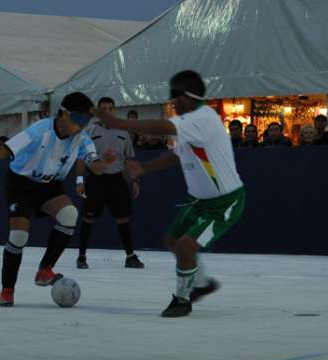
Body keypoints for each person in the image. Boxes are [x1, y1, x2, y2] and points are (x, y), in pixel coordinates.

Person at [96, 70, 245, 318]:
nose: (172, 101)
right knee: (173, 241)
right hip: (198, 201)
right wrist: (144, 167)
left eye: (175, 96)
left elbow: (162, 126)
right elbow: (177, 154)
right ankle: (202, 283)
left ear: (188, 96)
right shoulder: (191, 124)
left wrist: (118, 123)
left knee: (186, 247)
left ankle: (182, 300)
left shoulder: (202, 118)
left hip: (224, 204)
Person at [0, 92, 115, 307]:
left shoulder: (82, 138)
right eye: (79, 120)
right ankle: (7, 289)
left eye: (86, 121)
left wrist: (106, 163)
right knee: (18, 236)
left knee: (70, 215)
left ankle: (44, 270)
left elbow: (96, 168)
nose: (82, 127)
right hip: (21, 183)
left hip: (50, 184)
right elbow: (1, 153)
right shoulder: (39, 130)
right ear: (64, 114)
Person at [76, 97, 144, 269]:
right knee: (87, 219)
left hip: (117, 180)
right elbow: (81, 158)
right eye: (103, 108)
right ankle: (81, 257)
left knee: (123, 219)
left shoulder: (123, 132)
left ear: (114, 110)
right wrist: (79, 179)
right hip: (95, 180)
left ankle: (130, 257)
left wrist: (134, 179)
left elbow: (128, 159)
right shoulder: (90, 131)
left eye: (110, 108)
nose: (107, 111)